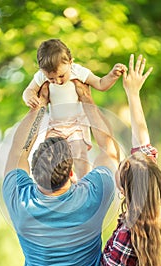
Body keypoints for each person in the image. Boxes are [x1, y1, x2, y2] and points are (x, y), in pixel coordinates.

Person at [23, 55, 161, 266]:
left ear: (125, 189)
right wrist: (132, 93)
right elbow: (143, 148)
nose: (119, 168)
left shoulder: (127, 233)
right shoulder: (160, 208)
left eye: (121, 172)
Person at [3, 71, 120, 266]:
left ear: (31, 172)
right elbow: (109, 149)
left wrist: (39, 106)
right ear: (71, 174)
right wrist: (87, 99)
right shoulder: (92, 195)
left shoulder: (21, 201)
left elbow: (16, 152)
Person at [22, 38, 127, 178]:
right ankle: (63, 183)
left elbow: (101, 84)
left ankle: (84, 181)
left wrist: (112, 75)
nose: (57, 81)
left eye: (61, 76)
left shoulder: (78, 71)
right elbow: (28, 91)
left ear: (70, 62)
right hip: (55, 126)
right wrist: (29, 97)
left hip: (76, 125)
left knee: (79, 155)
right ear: (42, 71)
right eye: (51, 79)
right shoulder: (41, 76)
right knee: (50, 156)